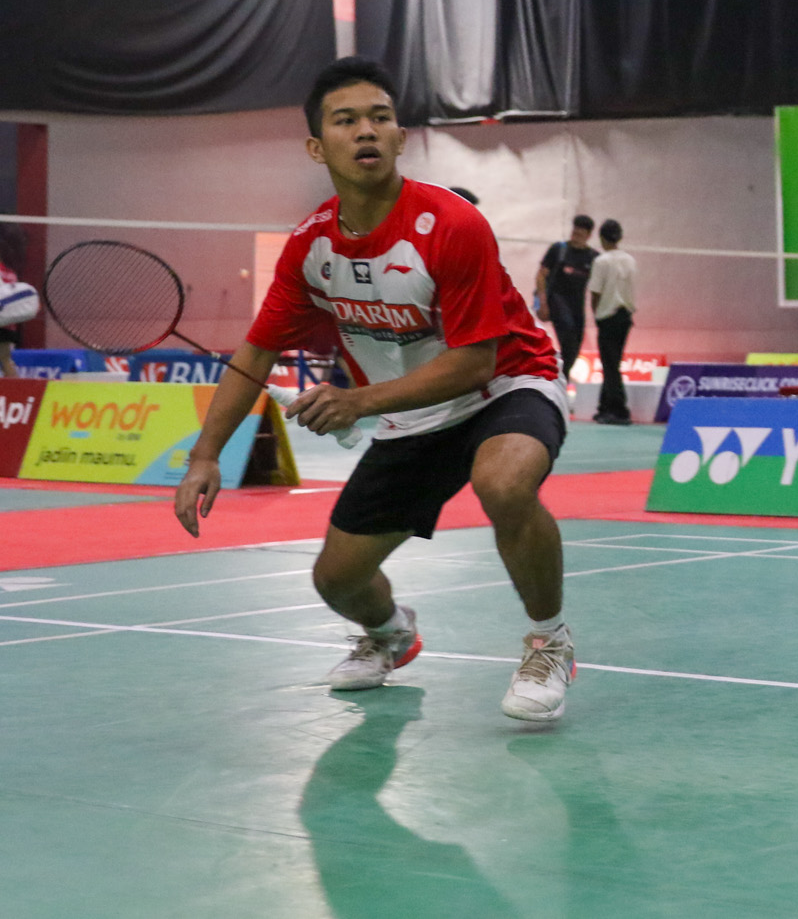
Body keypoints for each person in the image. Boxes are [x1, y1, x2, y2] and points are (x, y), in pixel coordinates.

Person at [171, 57, 577, 722]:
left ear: (399, 137)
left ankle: (549, 640)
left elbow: (474, 363)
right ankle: (390, 634)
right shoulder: (312, 247)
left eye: (380, 117)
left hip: (506, 384)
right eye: (346, 120)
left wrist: (357, 401)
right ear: (317, 147)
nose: (366, 130)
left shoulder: (451, 224)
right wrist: (205, 454)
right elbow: (255, 353)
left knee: (504, 483)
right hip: (410, 416)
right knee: (337, 578)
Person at [587, 219, 638, 425]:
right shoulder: (630, 260)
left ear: (601, 238)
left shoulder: (601, 261)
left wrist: (596, 315)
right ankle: (604, 407)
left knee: (609, 365)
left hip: (608, 317)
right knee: (612, 363)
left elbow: (595, 292)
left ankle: (619, 410)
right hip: (625, 316)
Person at [535, 215, 596, 374]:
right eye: (575, 232)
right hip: (557, 300)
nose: (576, 236)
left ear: (588, 235)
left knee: (575, 344)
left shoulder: (592, 257)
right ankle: (558, 374)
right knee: (567, 334)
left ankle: (562, 375)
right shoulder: (559, 250)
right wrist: (542, 303)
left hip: (577, 305)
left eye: (581, 233)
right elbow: (541, 275)